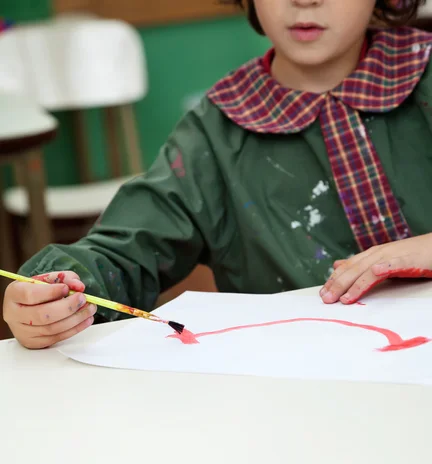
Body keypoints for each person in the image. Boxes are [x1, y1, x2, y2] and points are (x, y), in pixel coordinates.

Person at [3, 0, 432, 349]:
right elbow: (120, 254)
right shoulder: (213, 136)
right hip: (304, 403)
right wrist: (53, 294)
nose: (305, 0)